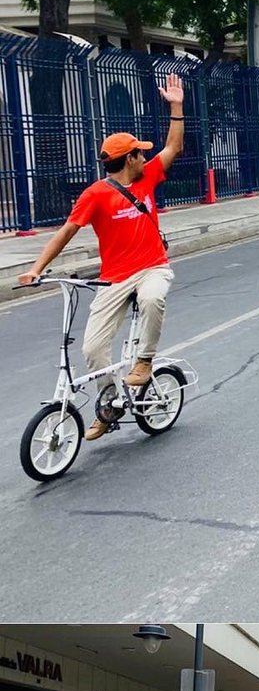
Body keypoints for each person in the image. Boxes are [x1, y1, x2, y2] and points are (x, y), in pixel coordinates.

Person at [19, 74, 186, 441]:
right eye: (140, 152)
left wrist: (176, 106)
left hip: (152, 267)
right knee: (93, 348)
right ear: (130, 159)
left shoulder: (148, 178)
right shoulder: (95, 194)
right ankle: (109, 405)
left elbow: (173, 147)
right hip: (113, 277)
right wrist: (36, 269)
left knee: (153, 296)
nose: (146, 155)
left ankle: (145, 361)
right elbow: (67, 231)